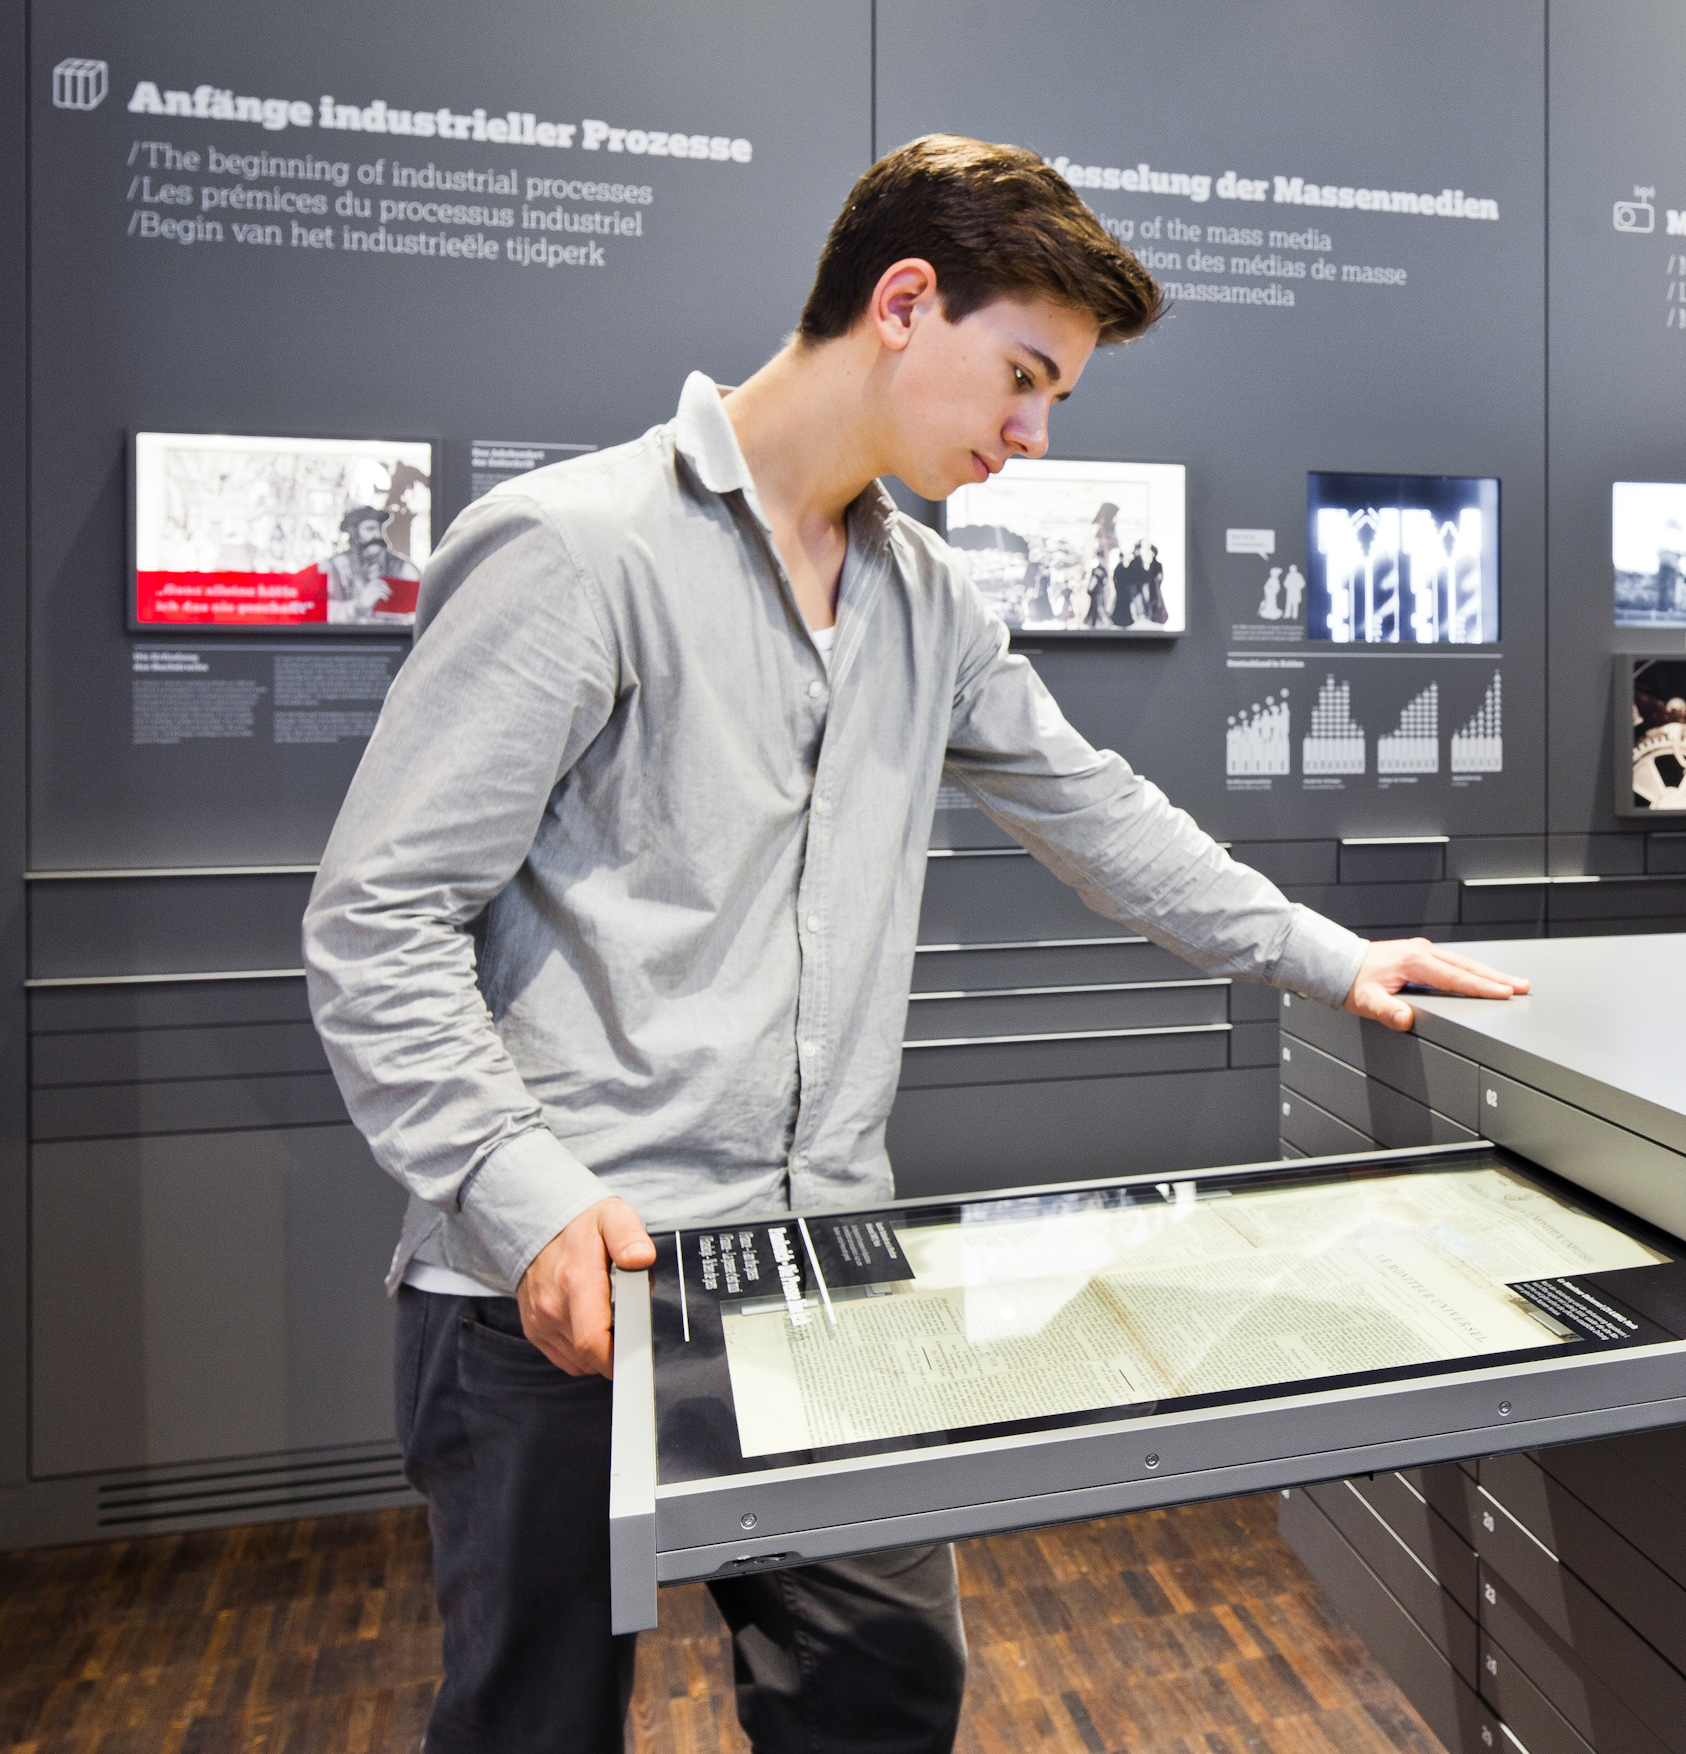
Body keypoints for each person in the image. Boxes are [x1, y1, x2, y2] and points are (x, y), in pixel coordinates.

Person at [301, 134, 1527, 1754]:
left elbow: (1097, 810)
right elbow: (376, 921)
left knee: (886, 1688)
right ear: (901, 302)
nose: (1029, 435)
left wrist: (1330, 950)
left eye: (1056, 401)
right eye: (1023, 378)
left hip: (821, 1271)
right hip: (551, 1289)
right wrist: (526, 1197)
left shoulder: (927, 601)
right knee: (533, 1721)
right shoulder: (578, 549)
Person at [317, 504, 419, 624]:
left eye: (379, 529)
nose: (377, 535)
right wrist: (359, 605)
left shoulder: (404, 569)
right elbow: (321, 613)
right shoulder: (334, 567)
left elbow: (421, 612)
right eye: (370, 529)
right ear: (354, 533)